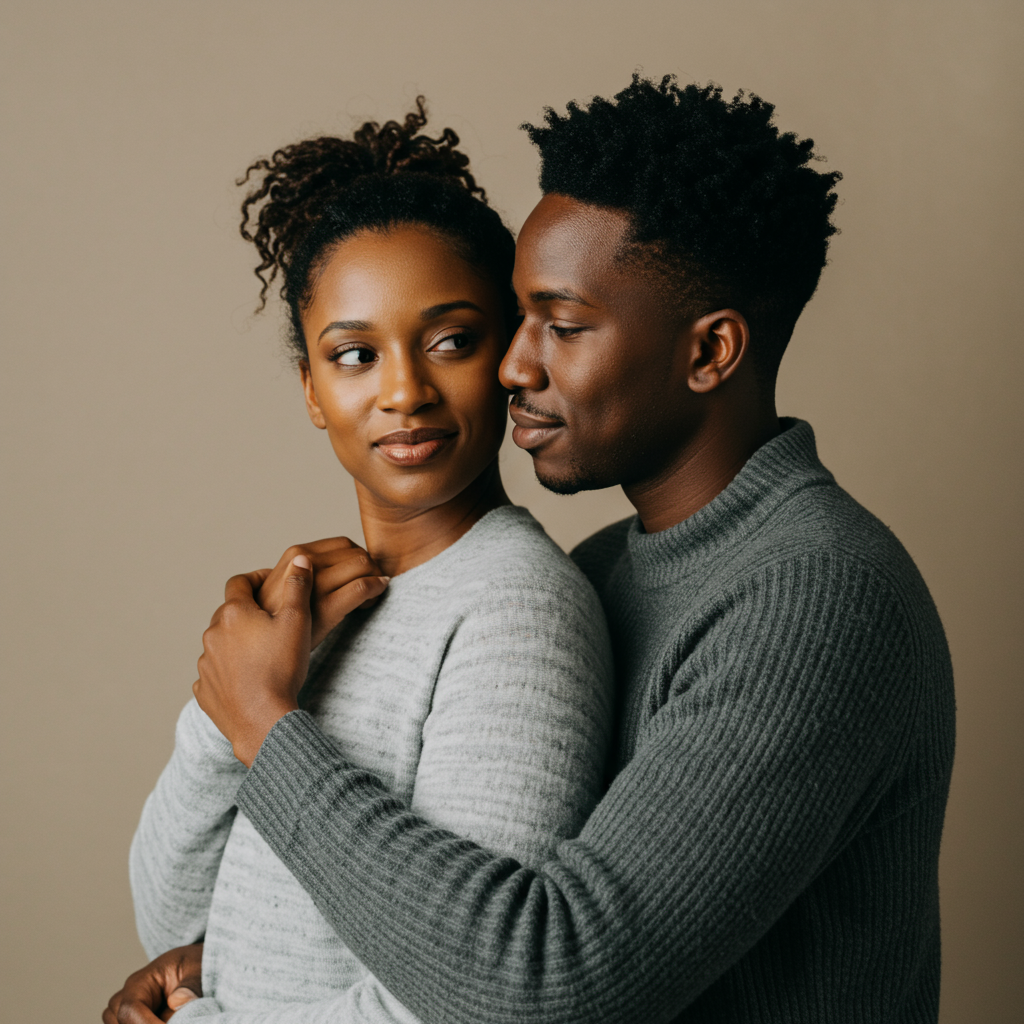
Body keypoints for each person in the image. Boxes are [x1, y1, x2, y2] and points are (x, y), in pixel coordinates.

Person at [110, 76, 956, 1024]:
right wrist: (224, 957)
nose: (514, 365)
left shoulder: (819, 596)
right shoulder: (610, 569)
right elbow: (433, 926)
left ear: (710, 352)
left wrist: (264, 728)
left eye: (561, 325)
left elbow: (548, 983)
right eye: (518, 321)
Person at [107, 103, 614, 1024]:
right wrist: (222, 713)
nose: (404, 390)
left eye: (451, 340)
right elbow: (171, 919)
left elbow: (468, 993)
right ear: (311, 388)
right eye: (354, 354)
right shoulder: (305, 619)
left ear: (507, 351)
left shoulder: (517, 611)